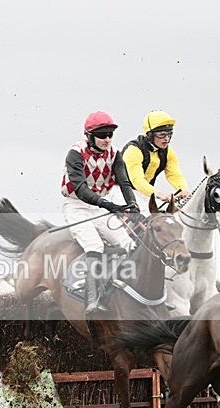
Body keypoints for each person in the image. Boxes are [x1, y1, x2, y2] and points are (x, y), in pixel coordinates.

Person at [60, 111, 139, 315]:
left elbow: (124, 182)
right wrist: (106, 203)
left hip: (100, 206)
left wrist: (133, 205)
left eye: (110, 135)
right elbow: (80, 188)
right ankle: (92, 299)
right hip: (76, 206)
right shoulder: (75, 153)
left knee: (129, 244)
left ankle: (125, 292)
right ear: (89, 136)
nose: (107, 139)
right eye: (102, 135)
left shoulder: (115, 154)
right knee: (94, 246)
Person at [123, 110, 190, 211]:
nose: (167, 139)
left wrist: (183, 189)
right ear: (150, 134)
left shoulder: (167, 151)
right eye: (162, 135)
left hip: (143, 193)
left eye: (170, 134)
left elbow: (174, 175)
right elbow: (137, 180)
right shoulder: (134, 150)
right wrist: (158, 194)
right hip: (120, 192)